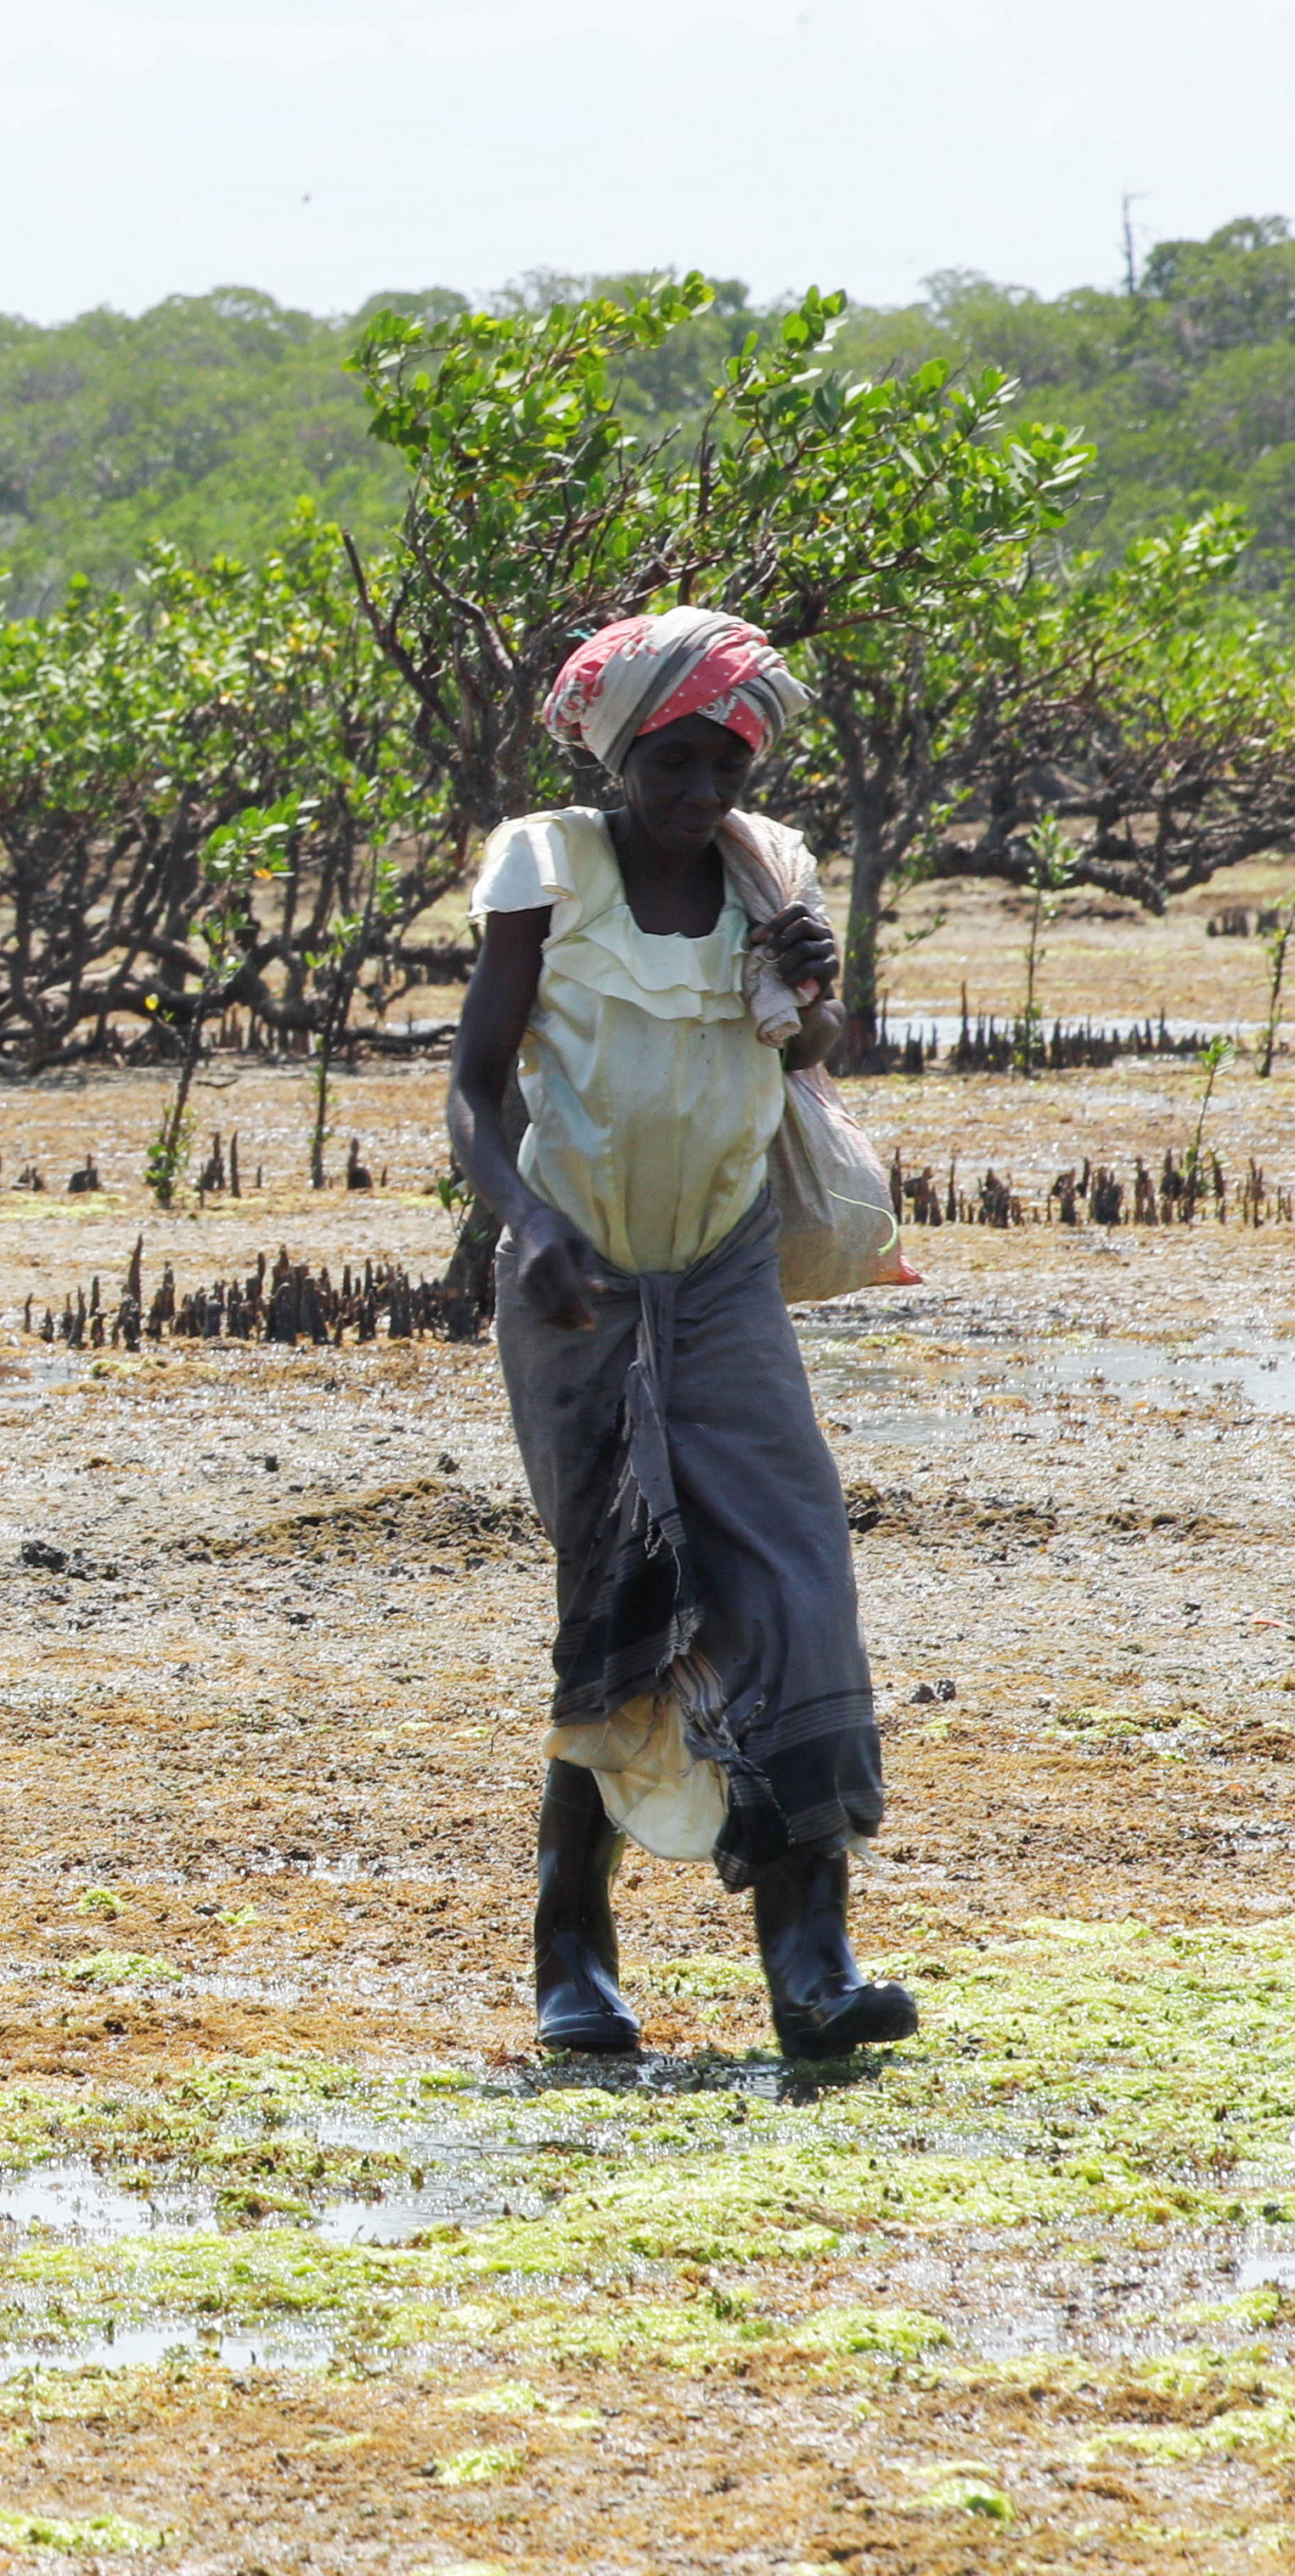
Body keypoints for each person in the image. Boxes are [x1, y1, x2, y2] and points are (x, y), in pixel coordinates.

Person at [448, 608, 917, 2063]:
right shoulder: (550, 862)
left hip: (720, 1275)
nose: (696, 796)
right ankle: (570, 1960)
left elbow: (803, 1056)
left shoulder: (763, 868)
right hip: (574, 1281)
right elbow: (473, 1086)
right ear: (618, 753)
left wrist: (812, 984)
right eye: (670, 765)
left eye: (722, 766)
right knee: (622, 1595)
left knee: (794, 1579)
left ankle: (811, 1957)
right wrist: (527, 1230)